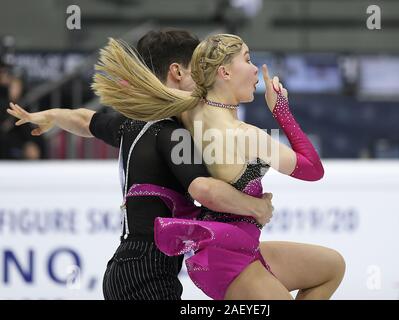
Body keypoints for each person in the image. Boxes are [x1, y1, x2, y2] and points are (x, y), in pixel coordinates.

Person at [6, 30, 274, 300]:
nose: (205, 82)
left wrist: (52, 115)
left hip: (127, 268)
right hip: (148, 270)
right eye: (198, 72)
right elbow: (204, 188)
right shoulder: (172, 133)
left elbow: (85, 120)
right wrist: (256, 207)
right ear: (177, 72)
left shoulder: (132, 125)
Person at [90, 34, 346, 300]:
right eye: (248, 59)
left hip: (234, 246)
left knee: (331, 266)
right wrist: (281, 110)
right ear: (224, 71)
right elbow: (313, 169)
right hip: (227, 256)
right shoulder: (247, 136)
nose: (256, 68)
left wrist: (56, 115)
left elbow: (106, 115)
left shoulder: (188, 111)